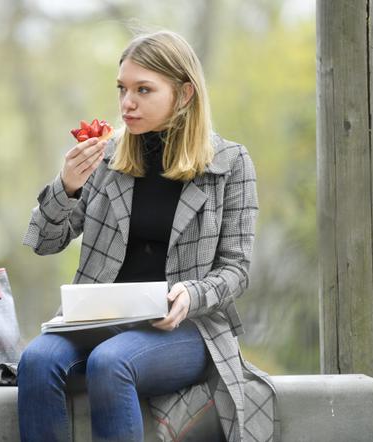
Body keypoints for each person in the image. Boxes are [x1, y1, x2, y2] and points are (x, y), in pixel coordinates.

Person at [19, 30, 277, 442]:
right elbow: (44, 241)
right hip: (99, 317)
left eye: (143, 90)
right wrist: (65, 187)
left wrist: (192, 294)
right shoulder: (107, 157)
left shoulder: (230, 164)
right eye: (122, 89)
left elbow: (236, 270)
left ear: (185, 93)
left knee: (110, 363)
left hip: (184, 328)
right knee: (35, 360)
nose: (127, 103)